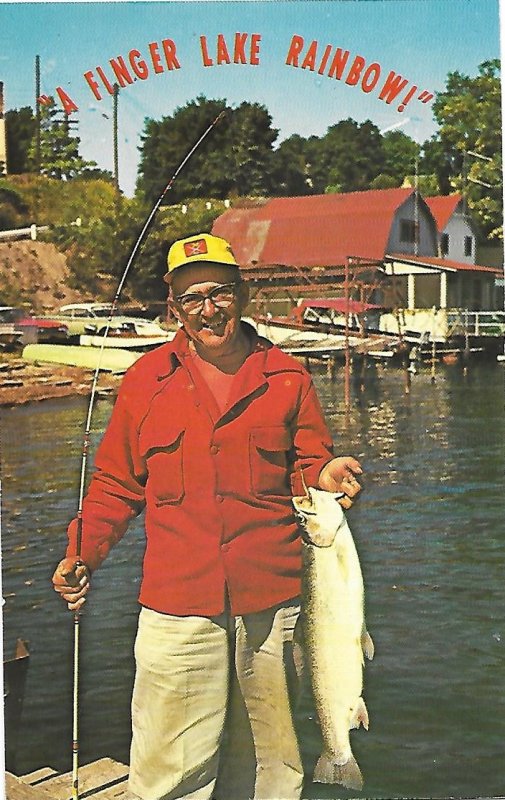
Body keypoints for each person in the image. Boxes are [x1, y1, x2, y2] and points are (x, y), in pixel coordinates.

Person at [52, 233, 362, 800]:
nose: (208, 309)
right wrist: (82, 553)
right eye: (191, 299)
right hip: (178, 603)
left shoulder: (287, 377)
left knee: (273, 765)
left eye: (219, 293)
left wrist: (326, 473)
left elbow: (311, 464)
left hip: (273, 601)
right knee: (170, 769)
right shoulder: (146, 380)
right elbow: (115, 486)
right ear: (174, 307)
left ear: (240, 295)